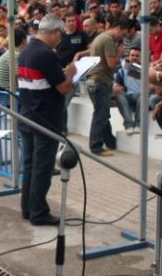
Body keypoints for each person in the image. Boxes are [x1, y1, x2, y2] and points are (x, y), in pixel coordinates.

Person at [18, 14, 75, 226]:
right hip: (45, 120)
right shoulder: (45, 54)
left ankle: (28, 208)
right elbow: (64, 88)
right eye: (59, 36)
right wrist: (70, 74)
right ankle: (39, 213)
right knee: (42, 168)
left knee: (30, 166)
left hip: (28, 116)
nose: (59, 41)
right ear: (55, 32)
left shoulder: (25, 52)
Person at [84, 14, 129, 156]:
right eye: (122, 34)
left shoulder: (100, 37)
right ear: (118, 28)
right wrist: (120, 53)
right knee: (101, 114)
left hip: (93, 80)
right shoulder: (109, 40)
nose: (122, 38)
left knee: (103, 113)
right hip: (100, 80)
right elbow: (111, 64)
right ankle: (96, 146)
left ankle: (109, 141)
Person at [114, 45, 142, 135]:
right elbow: (116, 85)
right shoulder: (122, 71)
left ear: (141, 57)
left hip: (139, 95)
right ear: (129, 56)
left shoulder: (147, 70)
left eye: (137, 56)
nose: (134, 58)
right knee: (119, 95)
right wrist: (115, 87)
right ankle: (129, 125)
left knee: (142, 95)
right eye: (132, 55)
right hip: (127, 95)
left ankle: (138, 124)